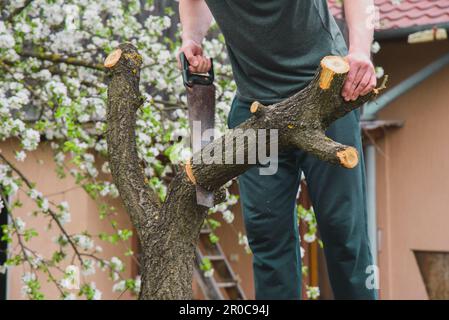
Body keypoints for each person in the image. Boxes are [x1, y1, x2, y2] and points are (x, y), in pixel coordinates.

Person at [178, 0, 377, 300]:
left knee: (342, 228)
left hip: (324, 96)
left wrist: (360, 50)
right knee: (266, 234)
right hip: (257, 111)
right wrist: (192, 39)